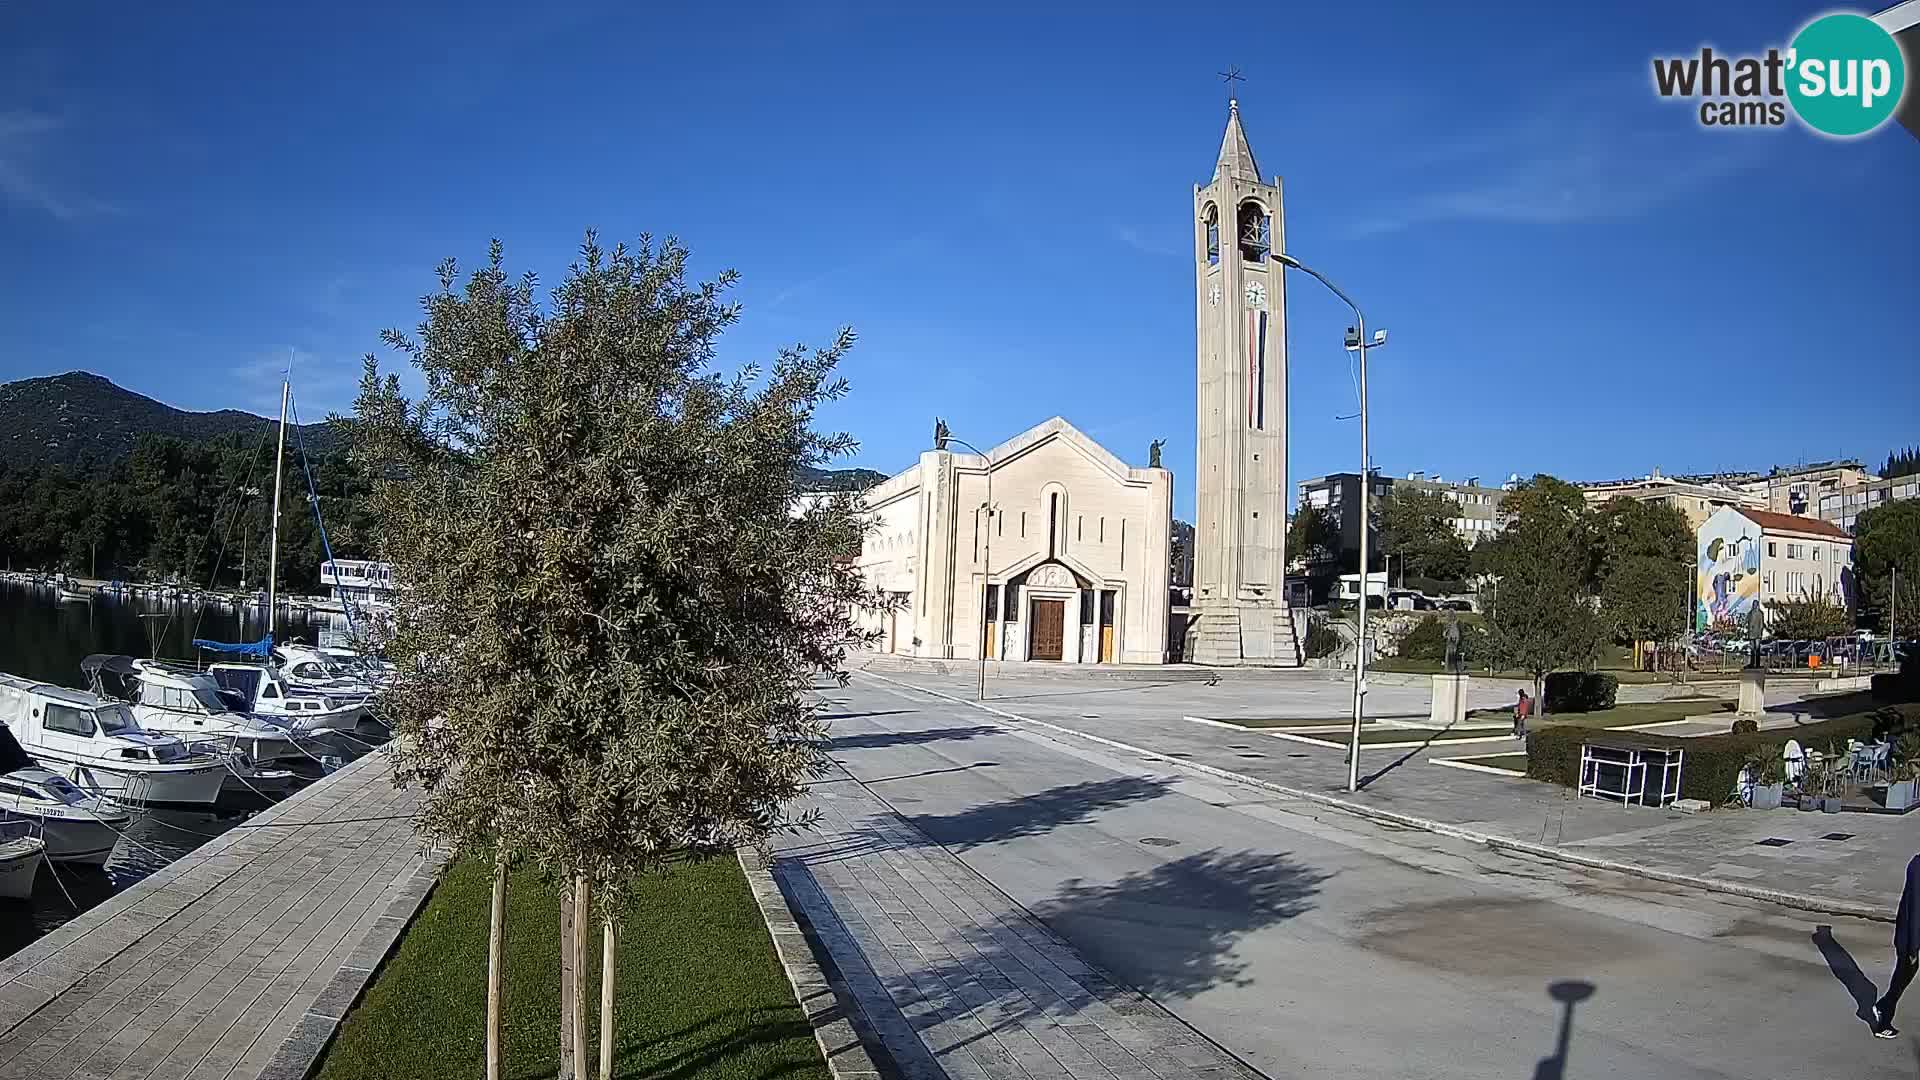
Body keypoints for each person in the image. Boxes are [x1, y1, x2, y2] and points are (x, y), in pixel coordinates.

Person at [1873, 854, 1920, 1038]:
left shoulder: (1916, 863)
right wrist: (1913, 947)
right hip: (1909, 935)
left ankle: (1884, 1006)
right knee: (1905, 972)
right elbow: (1917, 908)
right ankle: (1883, 1015)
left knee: (1906, 972)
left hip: (1909, 933)